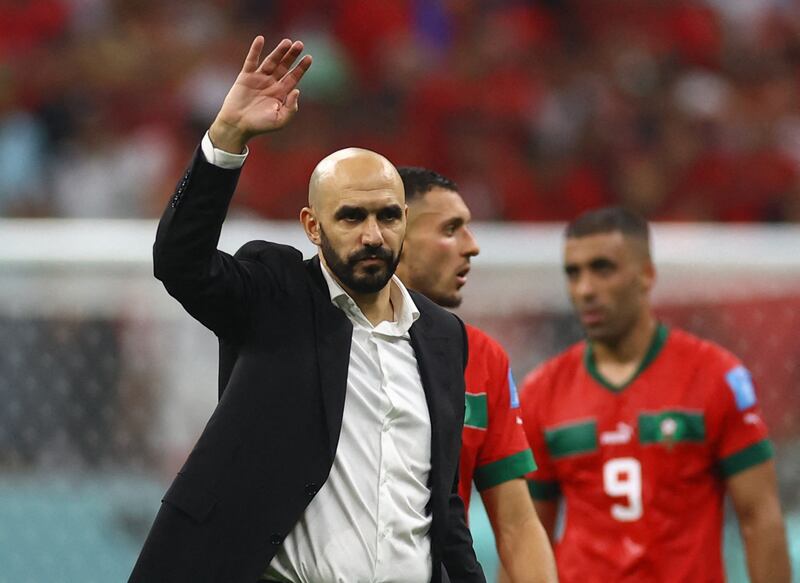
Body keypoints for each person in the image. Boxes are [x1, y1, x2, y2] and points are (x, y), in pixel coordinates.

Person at [129, 36, 485, 583]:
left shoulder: (443, 335)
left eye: (388, 216)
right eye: (350, 217)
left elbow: (441, 503)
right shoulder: (277, 296)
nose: (372, 235)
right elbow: (181, 263)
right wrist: (227, 139)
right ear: (312, 227)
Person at [519, 207, 792, 583]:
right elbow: (527, 537)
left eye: (602, 268)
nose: (584, 289)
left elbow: (760, 517)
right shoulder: (541, 391)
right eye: (573, 272)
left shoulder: (716, 376)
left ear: (646, 274)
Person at [394, 167, 558, 583]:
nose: (473, 247)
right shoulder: (321, 341)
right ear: (394, 234)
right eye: (451, 229)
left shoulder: (482, 358)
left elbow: (517, 524)